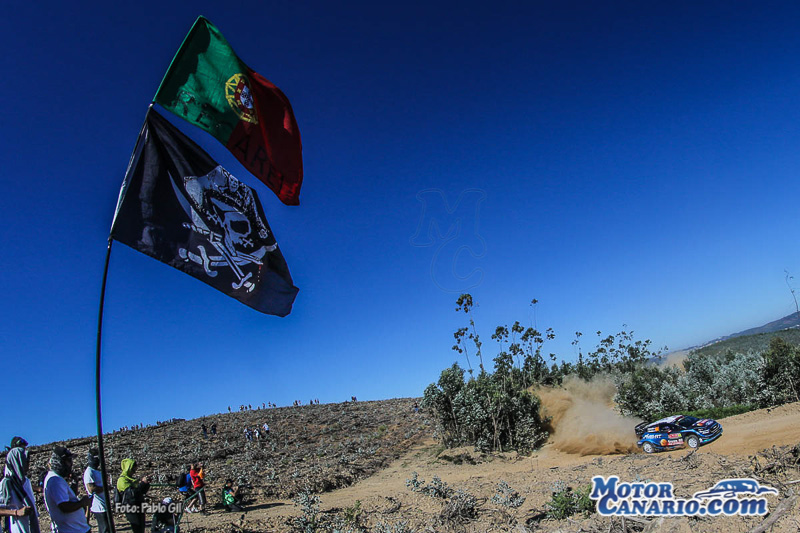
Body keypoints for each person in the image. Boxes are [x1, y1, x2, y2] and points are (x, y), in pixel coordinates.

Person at [43, 446, 91, 533]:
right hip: (71, 530)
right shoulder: (55, 480)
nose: (71, 464)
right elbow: (64, 507)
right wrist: (82, 503)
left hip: (75, 529)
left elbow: (68, 499)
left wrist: (74, 482)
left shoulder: (56, 478)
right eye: (68, 461)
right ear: (59, 462)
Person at [0, 446, 40, 533]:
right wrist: (17, 512)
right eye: (25, 461)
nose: (27, 465)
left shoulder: (26, 482)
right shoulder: (7, 483)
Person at [116, 459, 150, 533]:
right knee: (137, 528)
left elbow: (141, 492)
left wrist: (146, 484)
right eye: (133, 469)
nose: (134, 471)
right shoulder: (122, 480)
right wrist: (142, 483)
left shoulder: (133, 480)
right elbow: (132, 494)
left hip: (139, 506)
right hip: (130, 507)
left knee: (141, 528)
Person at [83, 449, 109, 533]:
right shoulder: (89, 472)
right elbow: (91, 489)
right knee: (104, 528)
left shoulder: (97, 471)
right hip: (98, 506)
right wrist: (105, 488)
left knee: (108, 528)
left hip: (104, 504)